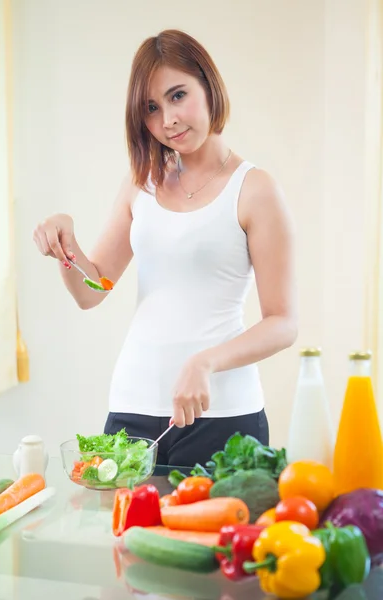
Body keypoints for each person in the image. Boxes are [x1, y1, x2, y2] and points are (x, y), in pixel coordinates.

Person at [33, 29, 298, 467]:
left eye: (178, 96)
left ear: (208, 85)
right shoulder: (141, 185)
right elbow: (92, 289)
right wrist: (66, 241)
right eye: (151, 109)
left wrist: (206, 362)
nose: (168, 120)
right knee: (123, 538)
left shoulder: (254, 190)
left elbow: (283, 323)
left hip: (222, 415)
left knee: (206, 539)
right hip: (131, 411)